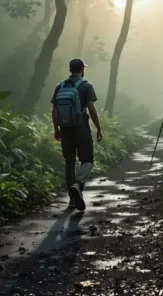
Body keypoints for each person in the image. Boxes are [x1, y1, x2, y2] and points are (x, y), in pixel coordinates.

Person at [51, 58, 103, 211]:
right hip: (81, 129)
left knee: (69, 162)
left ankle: (72, 200)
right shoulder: (87, 86)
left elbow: (54, 110)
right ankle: (78, 184)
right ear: (82, 69)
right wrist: (98, 128)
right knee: (87, 160)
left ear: (69, 70)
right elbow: (91, 109)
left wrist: (56, 128)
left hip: (65, 129)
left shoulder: (59, 86)